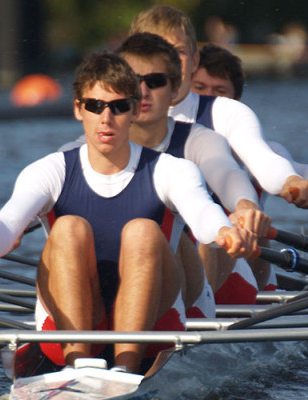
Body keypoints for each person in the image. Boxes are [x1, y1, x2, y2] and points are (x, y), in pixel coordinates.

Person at [0, 51, 257, 374]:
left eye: (118, 107)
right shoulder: (50, 170)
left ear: (134, 110)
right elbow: (7, 222)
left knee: (143, 231)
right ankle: (80, 367)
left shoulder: (172, 170)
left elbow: (203, 213)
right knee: (67, 229)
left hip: (157, 328)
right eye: (95, 106)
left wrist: (225, 232)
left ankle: (125, 369)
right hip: (71, 325)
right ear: (78, 109)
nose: (106, 119)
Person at [128, 4, 308, 293]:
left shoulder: (222, 119)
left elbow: (260, 161)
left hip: (221, 267)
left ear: (194, 60)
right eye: (151, 54)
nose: (163, 64)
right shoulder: (107, 123)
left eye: (176, 54)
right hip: (137, 262)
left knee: (203, 223)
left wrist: (253, 202)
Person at [116, 32, 268, 307]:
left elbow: (228, 176)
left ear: (175, 90)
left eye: (155, 81)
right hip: (119, 284)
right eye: (133, 82)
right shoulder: (80, 151)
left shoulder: (204, 141)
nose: (143, 91)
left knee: (157, 230)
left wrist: (245, 205)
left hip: (203, 283)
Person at [192, 43, 308, 289]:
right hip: (197, 280)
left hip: (246, 287)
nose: (210, 102)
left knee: (245, 220)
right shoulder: (175, 144)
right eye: (200, 89)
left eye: (219, 92)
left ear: (236, 101)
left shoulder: (259, 152)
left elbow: (302, 172)